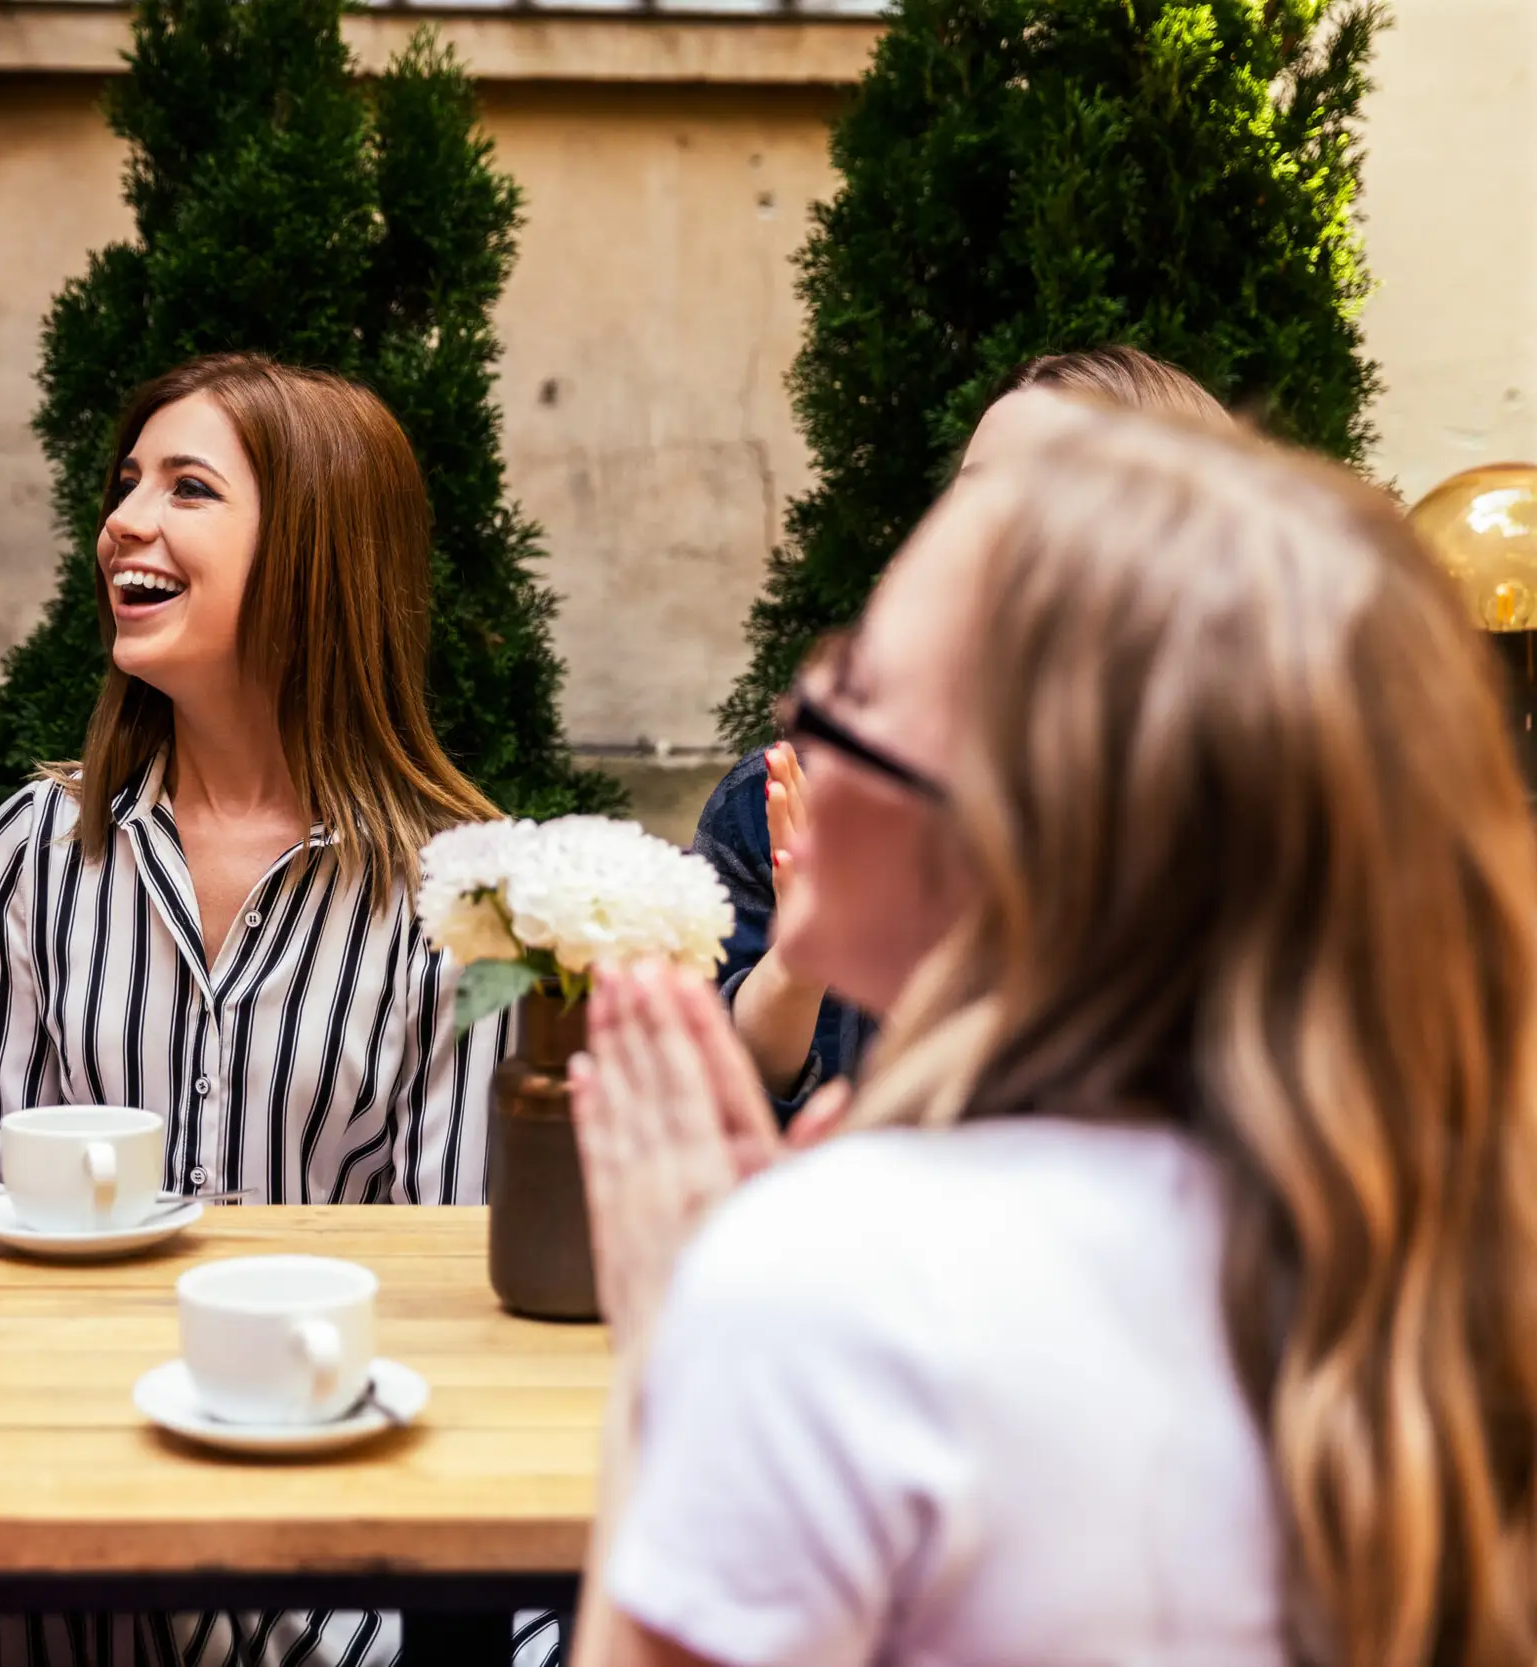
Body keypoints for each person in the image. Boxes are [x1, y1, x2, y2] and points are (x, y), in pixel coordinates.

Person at [570, 409, 1537, 1664]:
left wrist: (668, 1356)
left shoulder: (838, 1288)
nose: (798, 712)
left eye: (854, 682)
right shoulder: (1443, 1253)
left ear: (1020, 826)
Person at [0, 355, 522, 1667]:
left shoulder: (475, 893)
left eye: (190, 488)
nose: (125, 520)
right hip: (59, 1463)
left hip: (330, 1492)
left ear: (315, 551)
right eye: (126, 483)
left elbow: (452, 1267)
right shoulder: (36, 845)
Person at [699, 344, 1232, 1110]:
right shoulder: (790, 802)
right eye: (972, 500)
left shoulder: (1249, 823)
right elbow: (710, 1115)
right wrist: (797, 965)